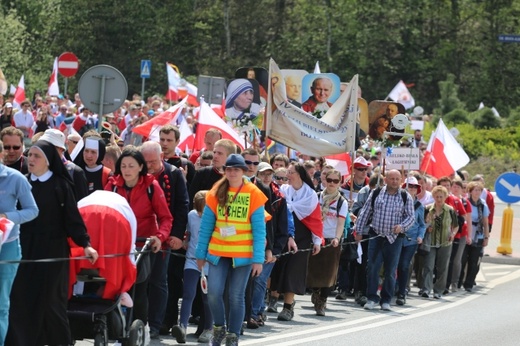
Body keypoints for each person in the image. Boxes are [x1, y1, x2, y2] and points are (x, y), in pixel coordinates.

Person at [6, 140, 98, 345]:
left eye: (36, 156)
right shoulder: (23, 182)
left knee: (51, 304)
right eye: (29, 155)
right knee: (21, 301)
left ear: (48, 161)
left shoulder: (61, 185)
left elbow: (72, 219)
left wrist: (86, 244)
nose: (31, 159)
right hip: (25, 250)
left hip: (53, 251)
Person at [195, 154, 267, 345]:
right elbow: (206, 227)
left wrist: (258, 259)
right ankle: (219, 327)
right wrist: (200, 254)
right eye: (229, 169)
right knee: (213, 292)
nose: (232, 172)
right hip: (218, 252)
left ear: (243, 171)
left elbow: (260, 230)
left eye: (236, 169)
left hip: (243, 256)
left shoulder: (253, 193)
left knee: (236, 296)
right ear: (224, 171)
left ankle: (233, 334)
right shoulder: (215, 192)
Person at [105, 147, 173, 339]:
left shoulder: (152, 186)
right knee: (114, 286)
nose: (127, 170)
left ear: (141, 167)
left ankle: (139, 328)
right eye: (123, 166)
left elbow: (166, 218)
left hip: (143, 245)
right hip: (117, 245)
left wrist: (159, 237)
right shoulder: (112, 186)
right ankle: (113, 326)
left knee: (139, 287)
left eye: (131, 166)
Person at [270, 162, 323, 321]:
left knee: (293, 271)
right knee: (277, 267)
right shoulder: (284, 190)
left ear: (299, 174)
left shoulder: (310, 195)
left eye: (291, 172)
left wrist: (317, 241)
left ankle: (287, 307)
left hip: (302, 236)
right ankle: (272, 299)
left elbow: (315, 220)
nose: (288, 175)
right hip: (283, 234)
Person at [354, 170, 414, 311]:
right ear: (385, 179)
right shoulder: (376, 193)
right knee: (373, 268)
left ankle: (386, 300)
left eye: (397, 179)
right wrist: (358, 231)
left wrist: (402, 226)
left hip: (394, 239)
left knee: (390, 270)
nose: (394, 181)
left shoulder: (406, 196)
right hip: (376, 235)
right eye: (391, 178)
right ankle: (371, 298)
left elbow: (411, 217)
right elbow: (365, 212)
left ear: (401, 180)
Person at [0, 140, 39, 345]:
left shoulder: (15, 178)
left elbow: (32, 210)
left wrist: (7, 216)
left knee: (1, 303)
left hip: (7, 246)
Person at [170, 190, 213, 344]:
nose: (202, 214)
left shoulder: (216, 217)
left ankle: (209, 329)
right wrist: (185, 244)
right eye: (200, 210)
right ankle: (182, 327)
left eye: (205, 210)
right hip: (192, 260)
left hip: (210, 262)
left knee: (207, 298)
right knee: (188, 294)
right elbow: (188, 235)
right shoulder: (191, 216)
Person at [308, 169, 347, 316]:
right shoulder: (317, 197)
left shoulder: (341, 202)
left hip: (331, 240)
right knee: (313, 271)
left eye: (335, 181)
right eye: (329, 180)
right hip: (316, 238)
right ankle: (315, 291)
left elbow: (341, 223)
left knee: (329, 274)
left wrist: (337, 238)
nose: (331, 183)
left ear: (339, 183)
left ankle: (322, 301)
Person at [420, 186, 458, 299]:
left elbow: (456, 226)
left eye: (441, 196)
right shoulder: (427, 209)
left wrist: (453, 234)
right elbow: (422, 224)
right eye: (437, 196)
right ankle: (426, 289)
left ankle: (438, 291)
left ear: (445, 197)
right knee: (428, 265)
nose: (439, 199)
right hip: (431, 241)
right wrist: (427, 228)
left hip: (445, 242)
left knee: (442, 267)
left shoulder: (450, 210)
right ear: (433, 197)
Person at [396, 177, 426, 305]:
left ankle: (402, 293)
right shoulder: (398, 201)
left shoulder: (419, 206)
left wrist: (420, 236)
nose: (412, 188)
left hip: (411, 240)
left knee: (404, 265)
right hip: (397, 238)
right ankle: (392, 289)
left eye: (414, 187)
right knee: (393, 265)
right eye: (409, 186)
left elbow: (422, 224)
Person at [40, 129, 89, 201]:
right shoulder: (38, 169)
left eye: (48, 146)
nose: (44, 149)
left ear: (60, 149)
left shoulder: (75, 172)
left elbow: (81, 204)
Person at [462, 181, 490, 292]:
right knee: (463, 259)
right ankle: (459, 281)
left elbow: (485, 223)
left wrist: (486, 237)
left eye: (479, 190)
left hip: (478, 235)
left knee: (474, 261)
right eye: (475, 190)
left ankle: (468, 284)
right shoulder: (465, 202)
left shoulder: (483, 204)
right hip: (466, 233)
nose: (477, 192)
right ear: (470, 191)